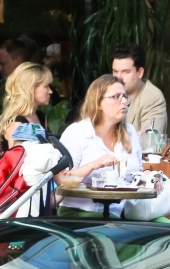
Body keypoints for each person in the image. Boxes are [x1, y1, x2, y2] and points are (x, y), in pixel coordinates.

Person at [57, 75, 156, 218]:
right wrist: (93, 165)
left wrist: (151, 177)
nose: (124, 102)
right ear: (98, 103)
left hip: (124, 212)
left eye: (124, 96)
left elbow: (138, 173)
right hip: (80, 211)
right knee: (117, 233)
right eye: (116, 97)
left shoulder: (130, 132)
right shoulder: (77, 132)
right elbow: (62, 179)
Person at [111, 43, 167, 140]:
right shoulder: (108, 94)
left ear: (140, 72)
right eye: (115, 71)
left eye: (126, 72)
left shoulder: (152, 98)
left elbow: (148, 143)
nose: (118, 77)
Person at [0, 62, 53, 149]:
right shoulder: (16, 123)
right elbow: (17, 159)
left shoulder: (40, 116)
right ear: (30, 88)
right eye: (46, 86)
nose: (50, 91)